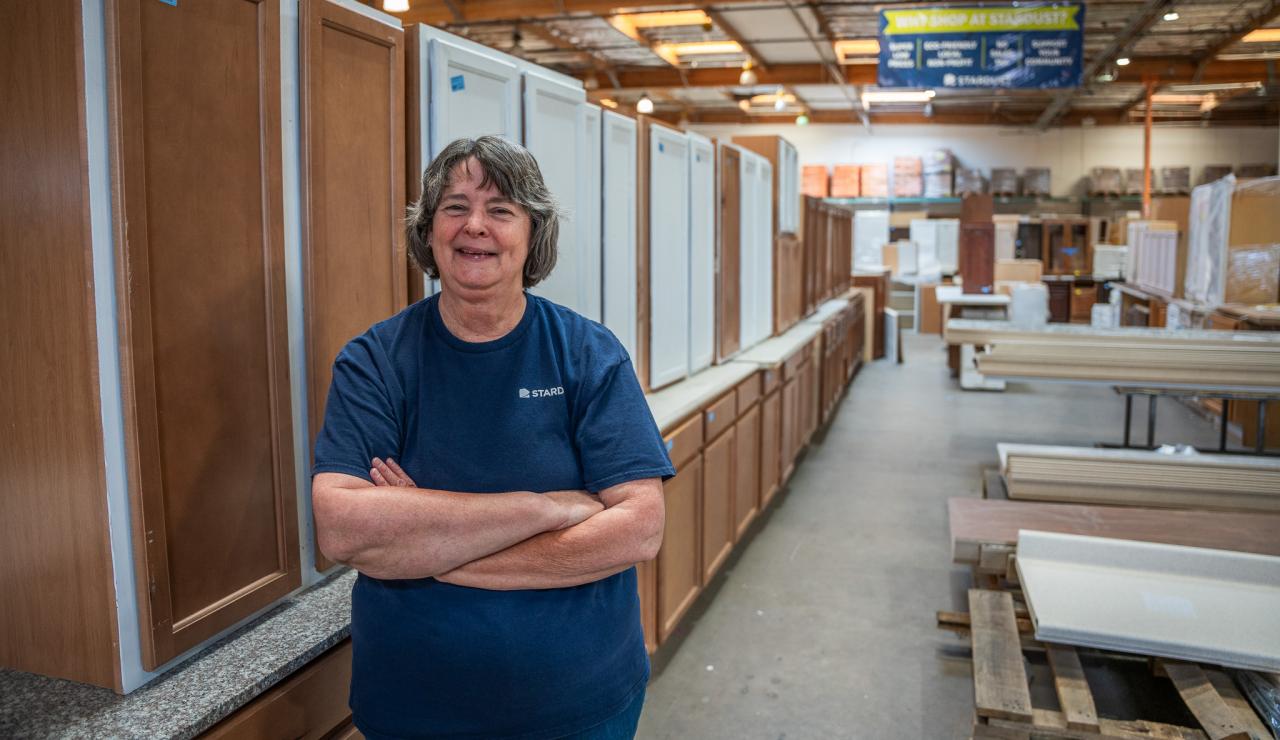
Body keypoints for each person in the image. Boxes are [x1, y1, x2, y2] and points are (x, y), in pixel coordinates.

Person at [311, 135, 673, 740]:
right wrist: (545, 509)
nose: (474, 225)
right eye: (455, 207)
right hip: (415, 706)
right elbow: (343, 527)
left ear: (533, 234)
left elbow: (639, 528)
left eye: (500, 209)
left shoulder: (588, 353)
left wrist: (427, 545)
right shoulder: (375, 361)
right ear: (429, 231)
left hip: (580, 703)